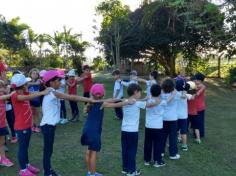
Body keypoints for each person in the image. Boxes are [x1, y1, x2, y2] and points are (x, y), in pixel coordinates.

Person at [41, 70, 98, 176]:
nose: (60, 82)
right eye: (58, 80)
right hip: (47, 126)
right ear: (51, 82)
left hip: (49, 126)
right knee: (47, 151)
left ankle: (48, 170)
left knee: (49, 150)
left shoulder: (51, 91)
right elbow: (71, 97)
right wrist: (89, 99)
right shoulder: (52, 92)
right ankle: (47, 173)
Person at [81, 84, 135, 176]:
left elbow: (111, 100)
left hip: (86, 130)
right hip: (94, 132)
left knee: (88, 151)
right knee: (93, 153)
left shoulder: (90, 102)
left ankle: (90, 172)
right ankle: (93, 174)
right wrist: (127, 102)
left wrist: (122, 99)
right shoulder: (102, 103)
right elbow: (116, 104)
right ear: (102, 94)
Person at [11, 73, 50, 176]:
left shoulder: (24, 92)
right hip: (21, 127)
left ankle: (27, 165)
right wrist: (43, 92)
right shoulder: (16, 96)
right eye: (26, 83)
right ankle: (23, 170)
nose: (27, 84)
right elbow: (31, 96)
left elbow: (32, 94)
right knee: (23, 148)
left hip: (27, 125)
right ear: (23, 85)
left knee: (26, 147)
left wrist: (43, 89)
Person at [143, 84, 175, 168]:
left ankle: (147, 160)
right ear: (160, 93)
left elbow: (148, 98)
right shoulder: (162, 102)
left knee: (148, 143)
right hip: (158, 127)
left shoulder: (148, 101)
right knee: (158, 144)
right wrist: (173, 93)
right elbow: (169, 100)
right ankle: (157, 161)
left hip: (148, 126)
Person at [161, 78, 181, 160]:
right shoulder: (176, 93)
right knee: (173, 136)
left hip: (163, 118)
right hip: (172, 118)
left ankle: (161, 151)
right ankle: (173, 154)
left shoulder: (161, 93)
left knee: (163, 135)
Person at [0, 80, 14, 167]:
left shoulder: (3, 95)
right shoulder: (2, 97)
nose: (1, 89)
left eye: (1, 87)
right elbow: (8, 95)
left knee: (1, 143)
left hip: (2, 123)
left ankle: (3, 158)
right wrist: (11, 93)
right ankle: (2, 158)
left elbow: (7, 92)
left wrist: (8, 88)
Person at [175, 79, 191, 151]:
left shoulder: (174, 93)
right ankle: (184, 145)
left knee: (175, 130)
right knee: (183, 131)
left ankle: (176, 140)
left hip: (175, 116)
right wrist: (185, 90)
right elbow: (186, 96)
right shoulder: (185, 93)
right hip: (183, 116)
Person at [28, 68, 41, 133]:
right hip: (30, 100)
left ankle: (38, 126)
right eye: (33, 73)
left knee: (37, 114)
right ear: (30, 74)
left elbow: (37, 84)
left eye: (36, 74)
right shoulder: (28, 81)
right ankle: (33, 125)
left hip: (36, 100)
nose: (35, 75)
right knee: (32, 114)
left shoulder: (39, 80)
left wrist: (29, 83)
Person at [193, 73, 206, 138]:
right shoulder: (194, 85)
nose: (194, 81)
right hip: (194, 107)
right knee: (195, 121)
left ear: (200, 80)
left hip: (200, 107)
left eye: (195, 79)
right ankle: (196, 133)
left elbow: (197, 93)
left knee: (199, 121)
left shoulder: (203, 86)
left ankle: (200, 134)